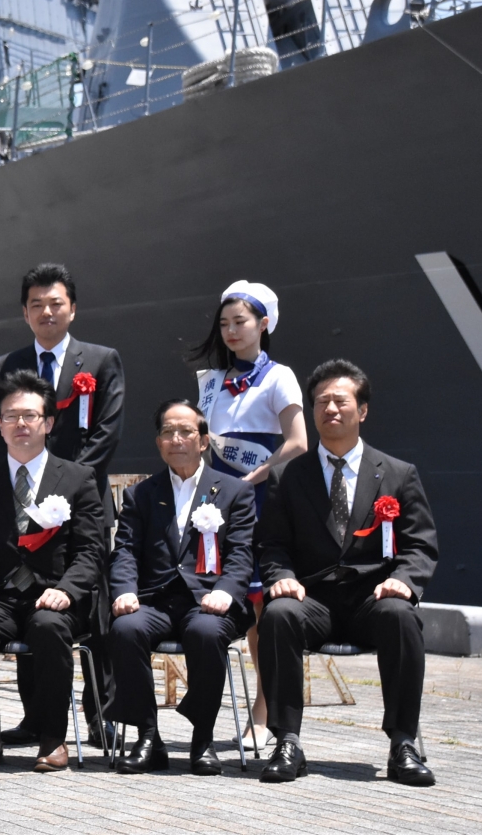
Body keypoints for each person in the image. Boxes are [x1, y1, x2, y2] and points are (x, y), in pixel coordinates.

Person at [256, 359, 438, 786]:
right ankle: (287, 741)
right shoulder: (287, 476)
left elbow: (420, 545)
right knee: (278, 614)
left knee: (402, 616)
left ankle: (403, 744)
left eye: (340, 401)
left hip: (371, 599)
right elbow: (271, 544)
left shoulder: (398, 474)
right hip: (312, 599)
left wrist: (403, 581)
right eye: (321, 402)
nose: (330, 409)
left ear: (363, 410)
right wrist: (281, 575)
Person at [0, 263, 123, 748]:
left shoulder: (101, 361)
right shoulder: (6, 365)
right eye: (37, 304)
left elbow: (106, 432)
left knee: (93, 607)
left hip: (83, 504)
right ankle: (36, 718)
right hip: (24, 504)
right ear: (25, 312)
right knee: (30, 598)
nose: (47, 312)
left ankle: (101, 715)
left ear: (73, 308)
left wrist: (64, 484)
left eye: (56, 303)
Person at [0, 370, 107, 772]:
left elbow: (91, 551)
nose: (20, 423)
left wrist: (68, 590)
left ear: (48, 423)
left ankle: (53, 739)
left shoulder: (78, 478)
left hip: (55, 596)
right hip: (1, 597)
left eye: (30, 415)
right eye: (10, 416)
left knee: (49, 626)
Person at [107, 399, 256, 775]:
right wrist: (124, 590)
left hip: (208, 599)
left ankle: (202, 739)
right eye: (168, 432)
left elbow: (241, 553)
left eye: (185, 431)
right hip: (155, 600)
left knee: (206, 632)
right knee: (125, 628)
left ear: (203, 441)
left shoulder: (234, 491)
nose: (176, 439)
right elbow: (125, 550)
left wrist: (226, 590)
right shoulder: (141, 494)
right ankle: (147, 737)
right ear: (158, 442)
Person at [187, 279, 307, 729]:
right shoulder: (213, 382)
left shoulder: (280, 376)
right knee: (211, 593)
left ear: (264, 323)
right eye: (224, 324)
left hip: (260, 498)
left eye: (240, 322)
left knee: (261, 605)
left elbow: (298, 442)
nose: (231, 331)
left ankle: (265, 705)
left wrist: (254, 477)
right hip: (216, 502)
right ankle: (209, 711)